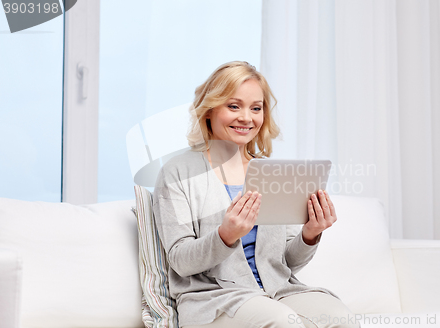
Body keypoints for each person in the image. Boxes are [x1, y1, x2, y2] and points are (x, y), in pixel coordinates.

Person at [153, 61, 360, 328]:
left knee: (339, 317)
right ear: (209, 111)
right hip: (214, 300)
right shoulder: (177, 172)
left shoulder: (269, 172)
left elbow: (285, 263)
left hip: (277, 292)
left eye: (256, 108)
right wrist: (225, 235)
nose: (246, 118)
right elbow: (180, 260)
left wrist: (310, 234)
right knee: (282, 321)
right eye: (233, 106)